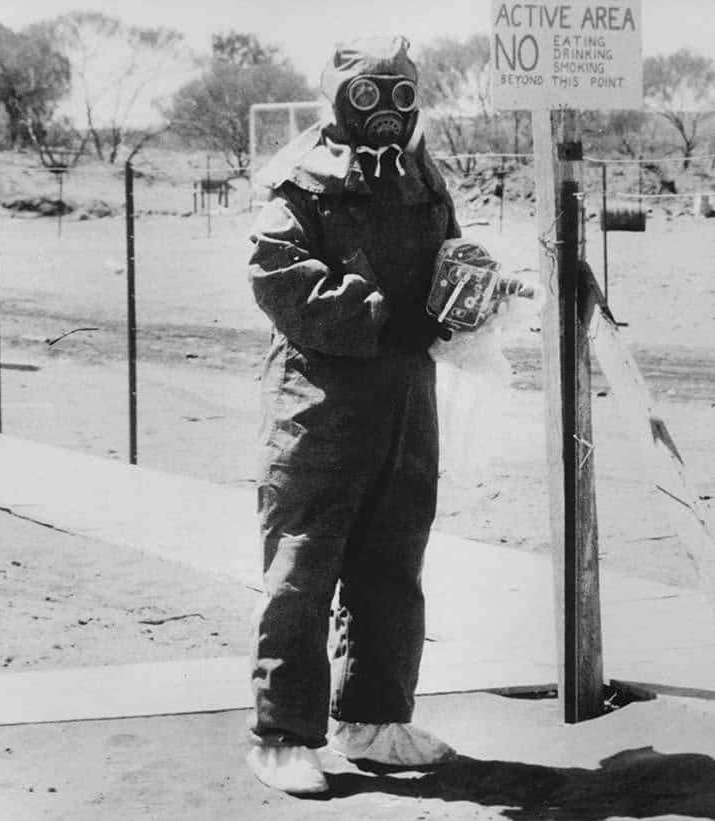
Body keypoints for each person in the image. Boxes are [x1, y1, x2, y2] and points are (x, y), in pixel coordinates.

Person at [244, 35, 459, 795]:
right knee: (303, 566)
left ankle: (372, 717)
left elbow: (451, 258)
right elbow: (277, 273)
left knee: (392, 563)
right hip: (320, 407)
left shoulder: (420, 181)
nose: (385, 115)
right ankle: (283, 734)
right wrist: (376, 317)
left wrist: (466, 300)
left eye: (400, 98)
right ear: (338, 99)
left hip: (404, 403)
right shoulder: (300, 181)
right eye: (368, 97)